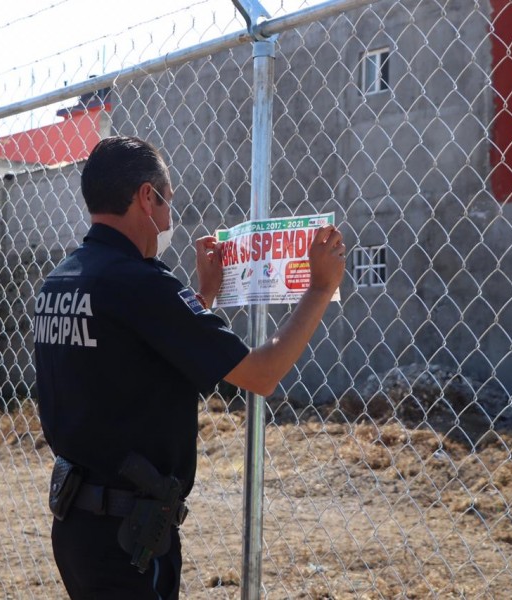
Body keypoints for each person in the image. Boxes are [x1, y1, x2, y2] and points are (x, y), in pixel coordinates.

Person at [33, 135, 345, 599]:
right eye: (168, 200)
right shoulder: (140, 284)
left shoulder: (62, 280)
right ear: (146, 196)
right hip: (129, 539)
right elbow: (261, 373)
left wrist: (205, 297)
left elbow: (133, 365)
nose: (168, 216)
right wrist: (320, 288)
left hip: (76, 526)